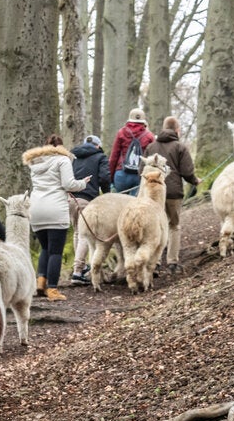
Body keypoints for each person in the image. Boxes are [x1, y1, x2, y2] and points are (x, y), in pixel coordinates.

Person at [22, 135, 90, 301]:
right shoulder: (63, 160)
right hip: (55, 209)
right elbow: (68, 184)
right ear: (60, 148)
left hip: (36, 209)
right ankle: (52, 289)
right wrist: (83, 183)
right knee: (55, 252)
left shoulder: (35, 163)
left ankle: (40, 283)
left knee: (45, 248)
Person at [144, 116, 201, 273]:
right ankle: (172, 262)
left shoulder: (150, 147)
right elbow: (187, 171)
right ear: (177, 130)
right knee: (174, 225)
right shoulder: (180, 147)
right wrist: (195, 181)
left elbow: (141, 170)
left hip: (153, 193)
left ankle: (154, 264)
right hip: (173, 193)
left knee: (156, 226)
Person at [69, 135, 111, 286]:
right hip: (86, 199)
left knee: (77, 232)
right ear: (98, 146)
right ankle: (78, 271)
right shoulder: (100, 157)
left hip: (71, 198)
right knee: (84, 235)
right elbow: (105, 178)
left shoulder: (74, 156)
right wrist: (107, 194)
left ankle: (80, 267)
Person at [108, 107, 156, 196]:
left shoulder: (121, 133)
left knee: (120, 204)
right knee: (133, 205)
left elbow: (114, 156)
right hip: (139, 175)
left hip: (121, 173)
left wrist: (110, 178)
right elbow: (153, 158)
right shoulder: (149, 136)